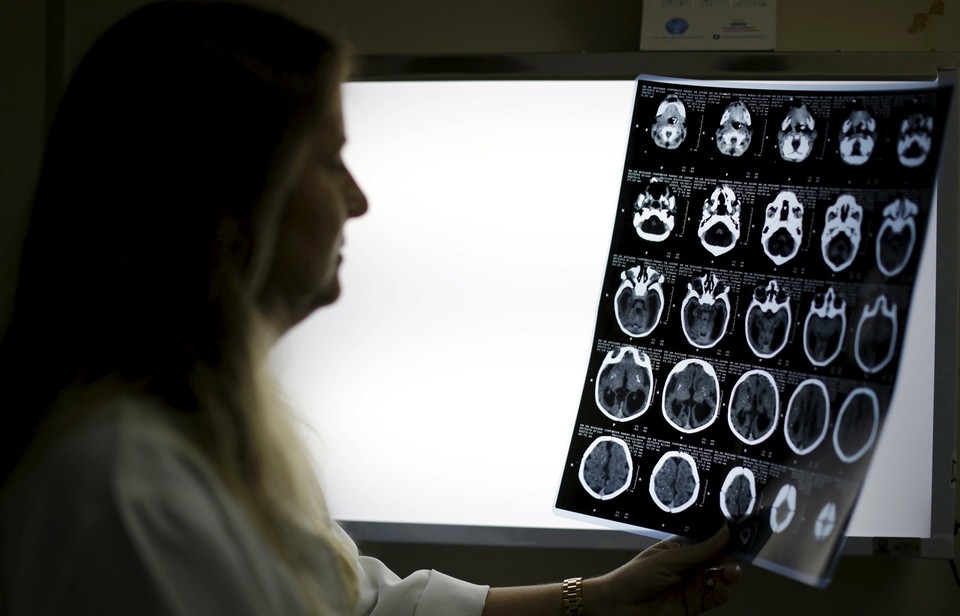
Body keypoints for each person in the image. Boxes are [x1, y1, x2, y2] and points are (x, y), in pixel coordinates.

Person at [0, 1, 742, 614]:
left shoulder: (211, 439)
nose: (357, 199)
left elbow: (360, 604)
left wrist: (600, 600)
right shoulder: (126, 491)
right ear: (224, 206)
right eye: (327, 162)